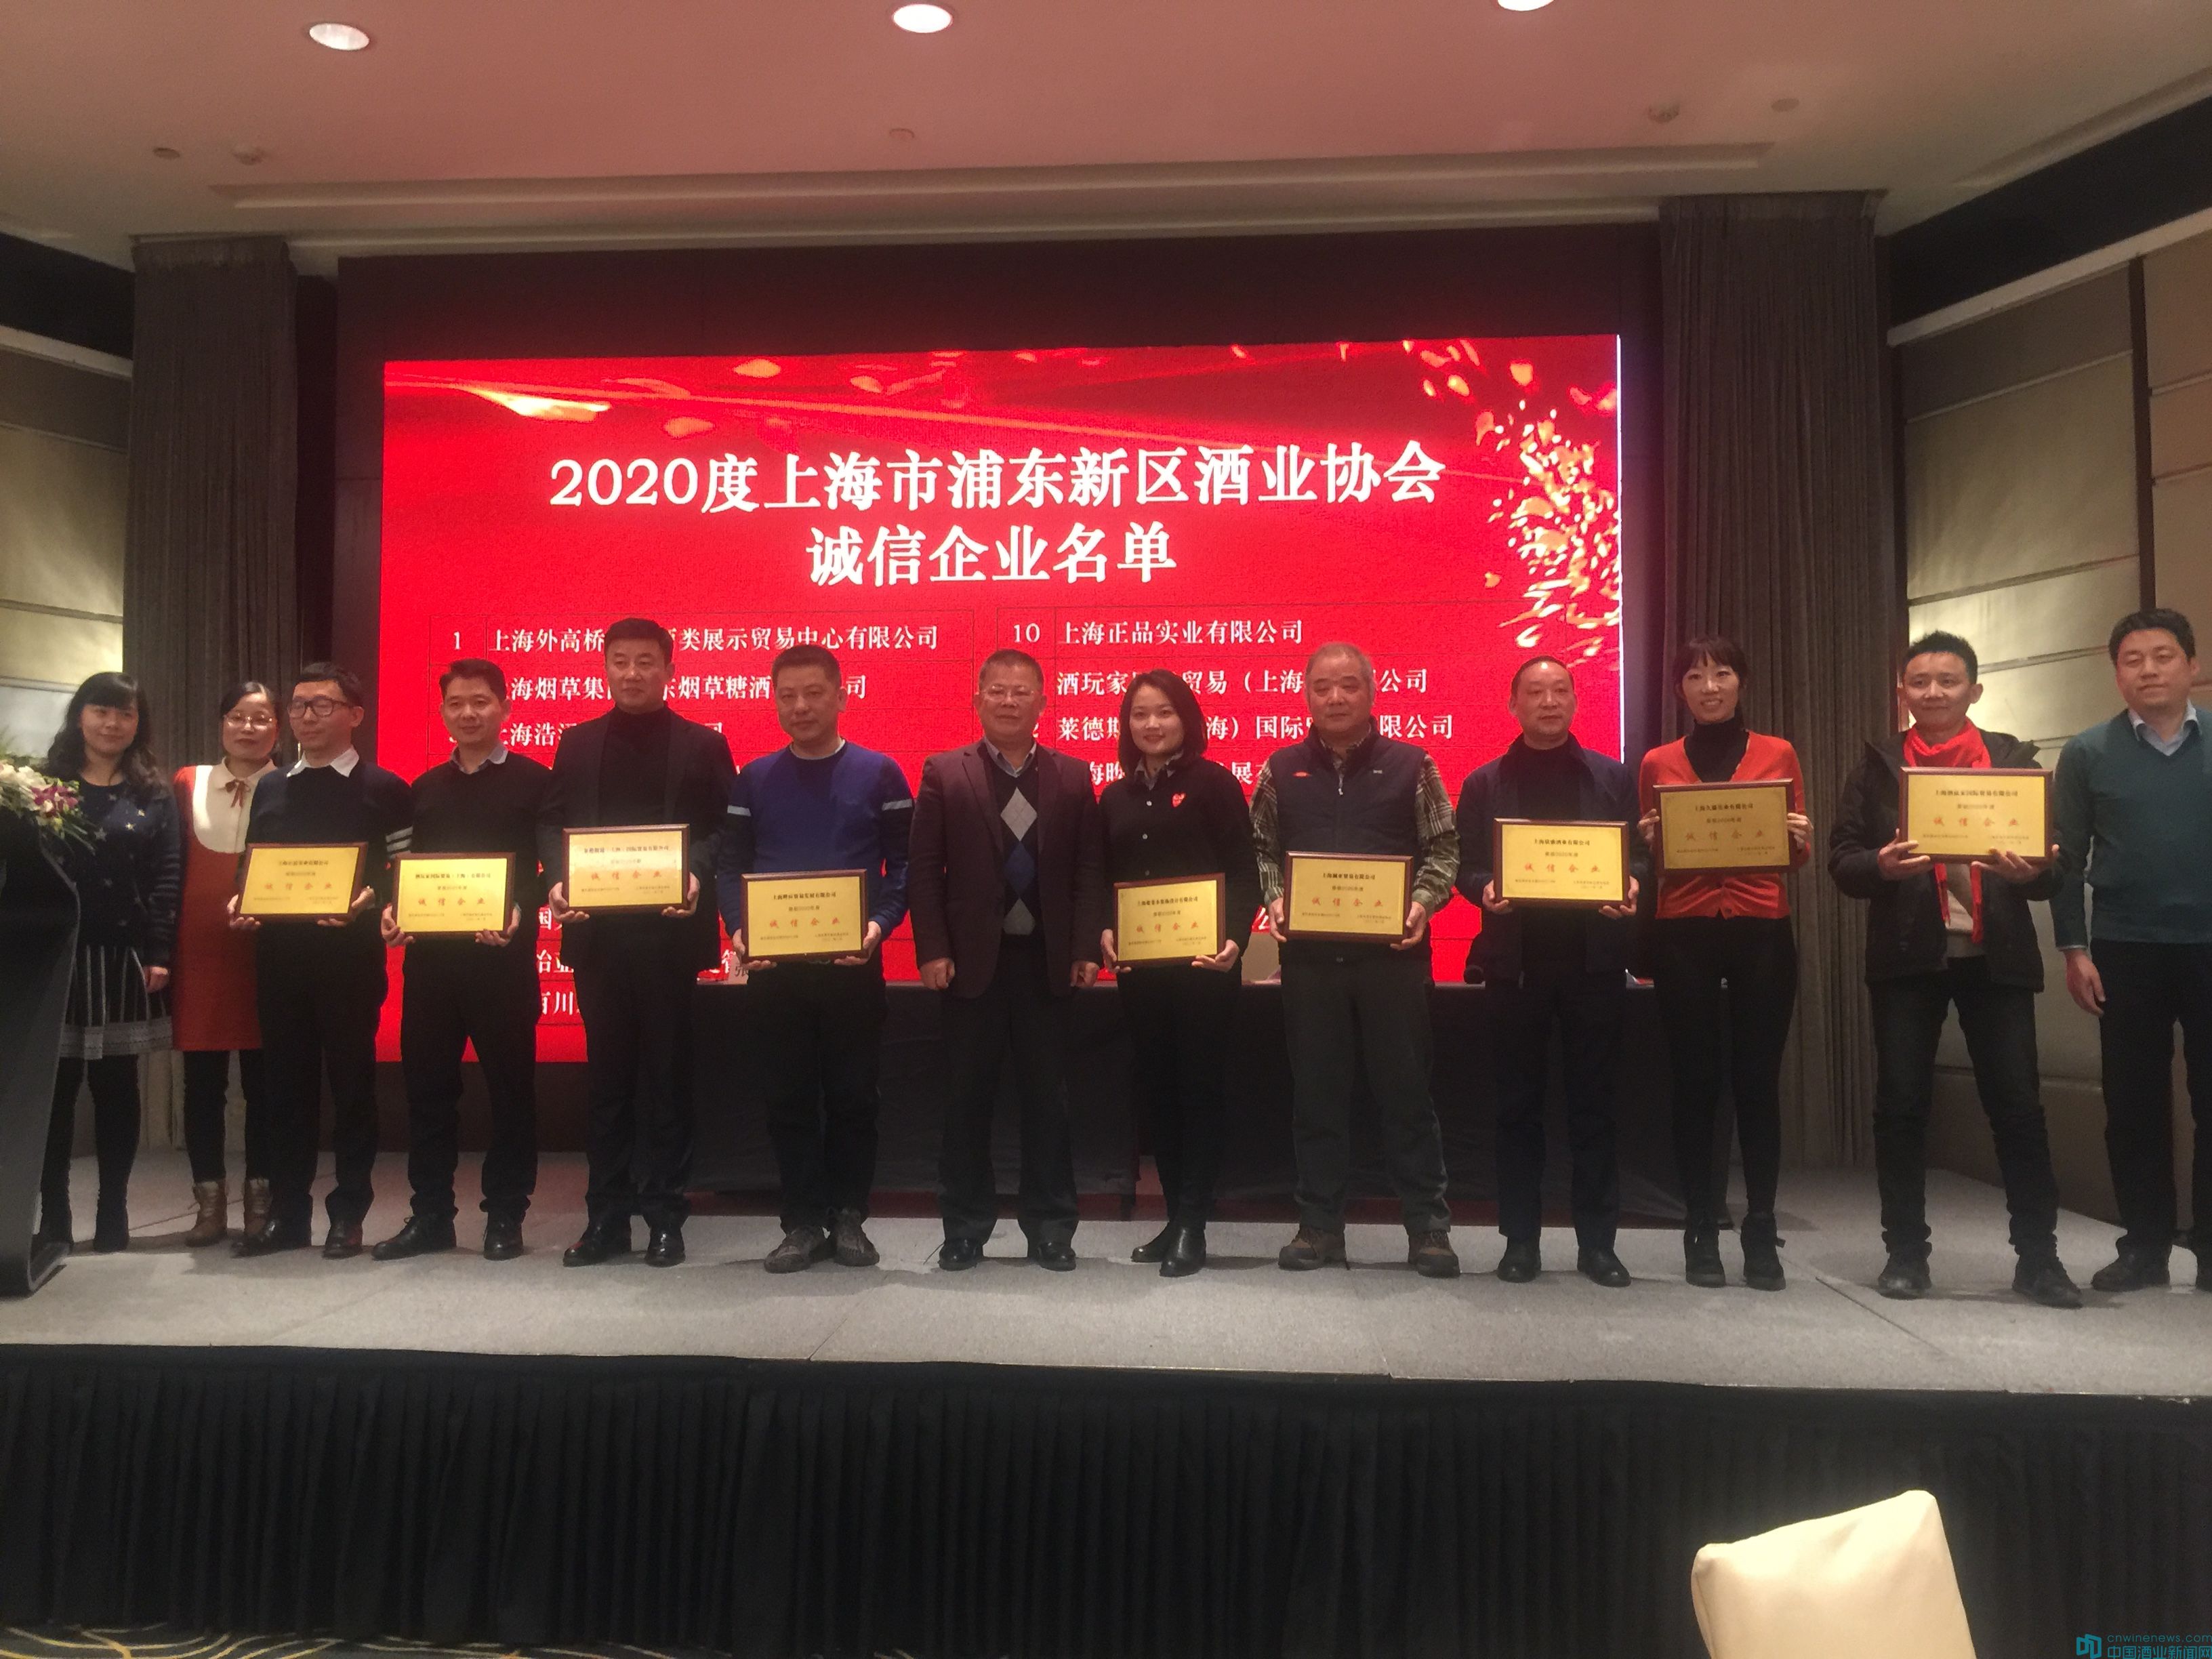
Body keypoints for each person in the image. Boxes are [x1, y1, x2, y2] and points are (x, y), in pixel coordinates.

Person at [1828, 630, 2080, 1308]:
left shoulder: (2013, 762)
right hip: (1908, 956)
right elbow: (1842, 861)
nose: (1933, 692)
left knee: (2018, 1108)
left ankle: (2039, 1259)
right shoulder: (1878, 767)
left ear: (1975, 689)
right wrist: (1880, 865)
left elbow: (2053, 870)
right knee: (1901, 1108)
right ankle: (1906, 1255)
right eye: (1920, 681)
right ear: (1902, 692)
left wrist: (2033, 872)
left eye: (1948, 680)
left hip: (1997, 958)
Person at [1252, 642, 1461, 1277]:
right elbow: (1260, 848)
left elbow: (1445, 848)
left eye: (1348, 685)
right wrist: (1276, 898)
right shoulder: (1280, 768)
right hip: (1311, 963)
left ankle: (1428, 1228)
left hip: (1392, 960)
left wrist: (1421, 904)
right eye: (1322, 686)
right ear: (1306, 695)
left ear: (1373, 691)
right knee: (1317, 1097)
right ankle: (1319, 1226)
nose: (1335, 697)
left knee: (1407, 1096)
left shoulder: (1413, 764)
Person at [541, 617, 734, 1269]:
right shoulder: (576, 742)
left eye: (645, 661)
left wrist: (695, 872)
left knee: (666, 1081)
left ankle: (665, 1216)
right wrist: (559, 880)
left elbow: (723, 828)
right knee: (607, 1083)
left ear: (670, 670)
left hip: (669, 937)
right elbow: (552, 823)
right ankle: (606, 1219)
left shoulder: (703, 744)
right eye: (619, 660)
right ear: (604, 667)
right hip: (598, 938)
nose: (631, 673)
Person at [714, 644, 912, 1273]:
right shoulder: (753, 778)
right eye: (787, 696)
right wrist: (740, 930)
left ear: (841, 697)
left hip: (852, 966)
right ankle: (802, 1222)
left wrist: (879, 926)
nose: (800, 707)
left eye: (813, 694)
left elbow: (905, 866)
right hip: (775, 972)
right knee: (788, 1099)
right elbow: (730, 866)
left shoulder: (880, 774)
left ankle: (849, 1217)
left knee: (855, 1098)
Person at [909, 648, 1107, 1271]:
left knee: (1049, 1103)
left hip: (1047, 965)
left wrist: (1085, 947)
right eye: (996, 690)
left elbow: (1089, 869)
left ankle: (1051, 1228)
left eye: (1022, 692)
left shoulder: (1073, 775)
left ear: (1043, 702)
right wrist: (933, 948)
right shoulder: (945, 771)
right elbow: (924, 870)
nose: (1009, 701)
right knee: (966, 1102)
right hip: (970, 967)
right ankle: (965, 1228)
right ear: (977, 700)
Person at [1456, 656, 1642, 1288]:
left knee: (1596, 1107)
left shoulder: (1612, 777)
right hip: (1515, 966)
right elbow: (1467, 865)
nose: (1549, 701)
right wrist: (1484, 888)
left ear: (1575, 700)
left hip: (1594, 963)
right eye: (1535, 692)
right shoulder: (1485, 782)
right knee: (1517, 1109)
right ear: (1513, 704)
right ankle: (1520, 1241)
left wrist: (1633, 883)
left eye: (1560, 690)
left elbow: (1640, 857)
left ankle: (1599, 1245)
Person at [1635, 636, 1811, 1290]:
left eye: (1722, 673)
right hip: (1683, 929)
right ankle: (1700, 1227)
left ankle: (1760, 1226)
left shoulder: (1778, 753)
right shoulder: (1657, 761)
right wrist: (1652, 844)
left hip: (1761, 925)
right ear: (1679, 689)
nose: (1709, 686)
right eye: (1695, 676)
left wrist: (1798, 840)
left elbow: (1794, 856)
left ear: (1742, 681)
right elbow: (1652, 857)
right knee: (1695, 1083)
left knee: (1758, 1082)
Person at [2055, 607, 2212, 1296]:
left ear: (2193, 666)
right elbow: (2065, 859)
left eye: (2163, 656)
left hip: (2210, 945)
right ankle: (2144, 1248)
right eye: (2133, 660)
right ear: (2116, 673)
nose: (2149, 670)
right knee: (2134, 1106)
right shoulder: (2087, 752)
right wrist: (2073, 948)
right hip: (2125, 948)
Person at [231, 663, 413, 1258]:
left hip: (348, 962)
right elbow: (252, 864)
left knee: (352, 1089)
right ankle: (288, 1215)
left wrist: (372, 899)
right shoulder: (271, 786)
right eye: (299, 706)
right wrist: (240, 898)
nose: (307, 716)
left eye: (322, 705)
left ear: (355, 715)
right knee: (285, 1090)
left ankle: (348, 1214)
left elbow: (402, 875)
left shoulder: (386, 788)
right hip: (279, 960)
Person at [374, 659, 550, 1263]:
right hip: (432, 967)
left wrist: (519, 909)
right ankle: (431, 1216)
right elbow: (402, 870)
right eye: (456, 704)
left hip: (502, 962)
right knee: (428, 1093)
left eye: (480, 702)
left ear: (505, 707)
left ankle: (505, 1214)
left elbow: (551, 868)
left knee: (511, 1093)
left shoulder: (535, 781)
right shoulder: (422, 789)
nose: (468, 713)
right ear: (443, 712)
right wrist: (393, 911)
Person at [1098, 670, 1261, 1277]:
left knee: (1199, 1089)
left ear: (1186, 719)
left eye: (1164, 712)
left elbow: (1244, 870)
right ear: (1127, 724)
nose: (1152, 724)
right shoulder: (1113, 797)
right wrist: (1104, 928)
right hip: (1142, 971)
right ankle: (1173, 1216)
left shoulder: (1215, 783)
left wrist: (1236, 939)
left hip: (1203, 967)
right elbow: (1101, 877)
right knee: (1159, 1093)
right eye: (1140, 714)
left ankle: (1194, 1220)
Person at [36, 672, 180, 1254]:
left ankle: (113, 1210)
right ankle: (55, 1216)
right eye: (101, 711)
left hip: (124, 957)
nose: (112, 723)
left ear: (138, 724)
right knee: (55, 1094)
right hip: (56, 959)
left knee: (117, 1091)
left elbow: (167, 876)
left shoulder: (154, 792)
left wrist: (160, 952)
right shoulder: (42, 785)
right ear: (80, 715)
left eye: (125, 714)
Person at [169, 680, 281, 1249]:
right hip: (200, 958)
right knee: (202, 1086)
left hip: (267, 956)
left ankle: (261, 1200)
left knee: (265, 1086)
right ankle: (209, 1204)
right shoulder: (188, 782)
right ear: (221, 724)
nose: (248, 728)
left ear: (278, 729)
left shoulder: (292, 785)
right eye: (238, 716)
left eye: (261, 718)